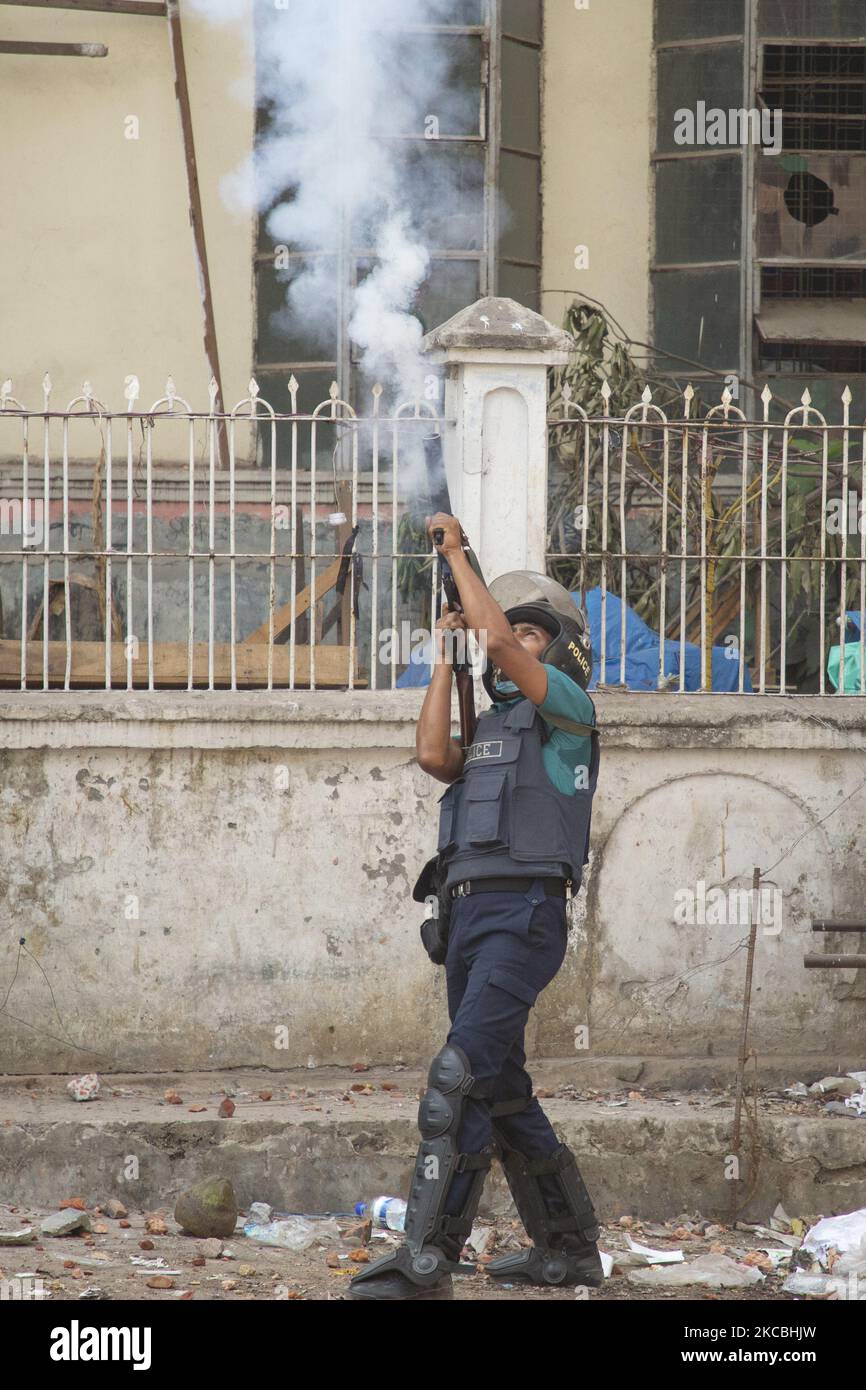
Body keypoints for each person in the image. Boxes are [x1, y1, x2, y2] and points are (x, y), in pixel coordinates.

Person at [349, 514, 603, 1301]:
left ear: (556, 650)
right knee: (498, 1090)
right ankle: (568, 1249)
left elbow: (496, 646)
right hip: (467, 924)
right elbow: (433, 756)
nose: (512, 639)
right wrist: (443, 663)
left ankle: (425, 1259)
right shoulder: (492, 726)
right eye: (509, 629)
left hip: (524, 917)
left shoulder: (568, 715)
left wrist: (459, 554)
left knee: (455, 1078)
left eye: (531, 632)